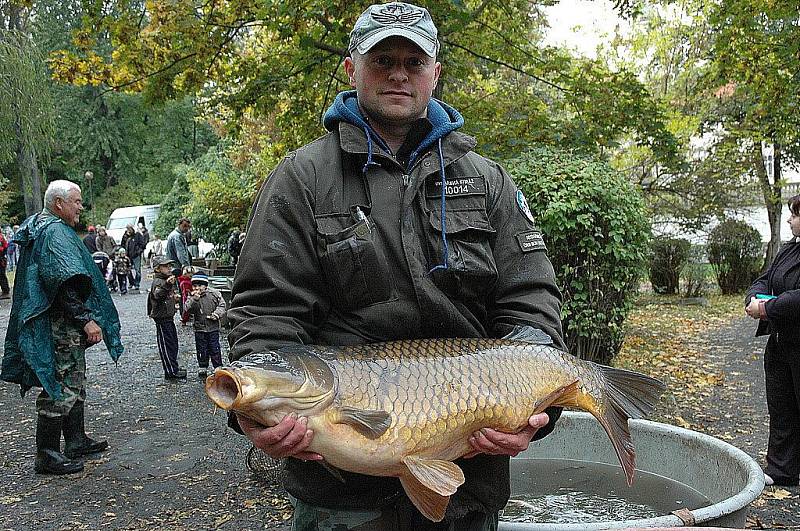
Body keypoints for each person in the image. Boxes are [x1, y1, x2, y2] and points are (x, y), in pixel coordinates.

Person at [226, 3, 565, 528]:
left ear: (436, 72)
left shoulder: (488, 180)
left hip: (470, 473)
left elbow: (532, 305)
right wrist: (255, 412)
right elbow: (264, 315)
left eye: (414, 60)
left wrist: (533, 414)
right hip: (340, 483)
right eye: (382, 59)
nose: (399, 73)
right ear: (351, 68)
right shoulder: (302, 178)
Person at [1, 180, 124, 475]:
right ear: (59, 204)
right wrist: (86, 320)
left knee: (74, 378)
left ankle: (75, 439)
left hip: (58, 321)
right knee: (63, 381)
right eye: (77, 202)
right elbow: (64, 281)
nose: (81, 207)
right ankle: (46, 453)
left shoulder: (42, 226)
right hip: (61, 323)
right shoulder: (54, 231)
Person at [746, 194, 800, 487]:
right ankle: (782, 470)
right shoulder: (789, 250)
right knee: (782, 407)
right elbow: (764, 278)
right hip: (781, 343)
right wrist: (754, 297)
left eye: (795, 214)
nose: (790, 220)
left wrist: (767, 308)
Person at [147, 256, 187, 380]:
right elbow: (158, 295)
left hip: (168, 317)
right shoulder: (159, 282)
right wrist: (167, 285)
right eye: (166, 266)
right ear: (158, 269)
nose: (169, 268)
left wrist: (173, 298)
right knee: (166, 345)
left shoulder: (165, 280)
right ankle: (170, 371)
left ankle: (173, 366)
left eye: (170, 266)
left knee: (173, 343)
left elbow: (165, 297)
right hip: (162, 318)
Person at [183, 272, 226, 378]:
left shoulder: (214, 294)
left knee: (214, 346)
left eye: (200, 285)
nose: (197, 288)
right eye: (195, 286)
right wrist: (194, 300)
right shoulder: (192, 296)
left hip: (212, 326)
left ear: (206, 285)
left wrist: (217, 314)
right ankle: (203, 365)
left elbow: (222, 305)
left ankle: (217, 365)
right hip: (199, 327)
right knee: (201, 347)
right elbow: (187, 309)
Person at [121, 224, 145, 291]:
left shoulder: (137, 235)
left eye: (129, 228)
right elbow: (122, 244)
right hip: (128, 256)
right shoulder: (125, 236)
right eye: (127, 228)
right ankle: (131, 282)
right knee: (128, 271)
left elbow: (142, 244)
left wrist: (138, 252)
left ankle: (137, 283)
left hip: (136, 255)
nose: (128, 230)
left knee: (138, 271)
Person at [0, 230, 10, 299]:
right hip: (2, 257)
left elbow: (2, 248)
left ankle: (6, 292)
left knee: (1, 275)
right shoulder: (2, 236)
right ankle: (5, 290)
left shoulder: (1, 237)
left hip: (1, 258)